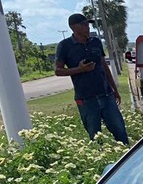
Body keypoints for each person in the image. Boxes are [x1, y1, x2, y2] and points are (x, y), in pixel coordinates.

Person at [55, 13, 129, 144]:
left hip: (106, 94)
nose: (87, 27)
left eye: (87, 24)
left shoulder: (95, 42)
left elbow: (104, 66)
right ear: (73, 27)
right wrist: (79, 69)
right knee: (95, 137)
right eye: (83, 25)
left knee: (120, 131)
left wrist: (114, 90)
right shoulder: (65, 46)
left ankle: (126, 158)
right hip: (86, 99)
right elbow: (58, 71)